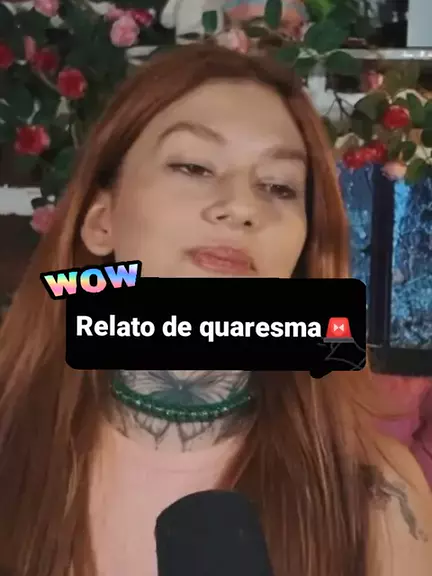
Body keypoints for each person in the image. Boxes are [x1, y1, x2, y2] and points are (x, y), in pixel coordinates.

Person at [0, 43, 431, 576]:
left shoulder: (378, 496)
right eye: (194, 166)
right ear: (102, 221)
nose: (243, 207)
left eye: (278, 186)